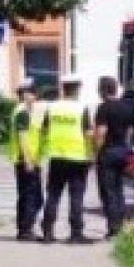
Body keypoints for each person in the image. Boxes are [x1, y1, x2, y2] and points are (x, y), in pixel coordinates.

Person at [39, 74, 94, 244]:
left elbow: (44, 130)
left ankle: (48, 233)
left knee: (53, 195)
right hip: (78, 158)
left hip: (57, 157)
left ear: (64, 89)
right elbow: (88, 133)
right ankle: (75, 234)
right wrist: (93, 153)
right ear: (77, 89)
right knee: (76, 196)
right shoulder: (82, 108)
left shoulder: (52, 107)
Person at [93, 76, 134, 240]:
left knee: (108, 192)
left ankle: (113, 229)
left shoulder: (104, 108)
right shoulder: (127, 107)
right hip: (123, 152)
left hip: (108, 153)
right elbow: (129, 133)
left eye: (99, 89)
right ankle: (121, 225)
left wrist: (95, 153)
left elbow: (101, 133)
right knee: (119, 191)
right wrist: (127, 151)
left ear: (103, 90)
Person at [7, 79, 44, 242]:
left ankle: (23, 229)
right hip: (26, 161)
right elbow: (22, 137)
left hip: (27, 160)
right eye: (30, 94)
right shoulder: (22, 112)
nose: (33, 97)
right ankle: (26, 229)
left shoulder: (24, 111)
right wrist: (29, 160)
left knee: (26, 196)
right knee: (32, 197)